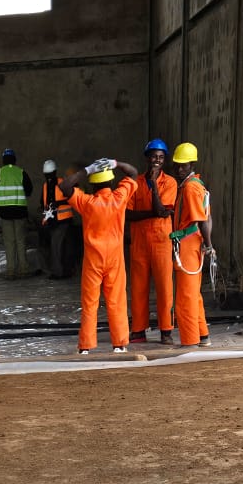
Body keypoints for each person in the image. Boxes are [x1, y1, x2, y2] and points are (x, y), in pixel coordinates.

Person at [62, 158, 139, 354]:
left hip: (93, 261)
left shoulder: (87, 203)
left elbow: (65, 186)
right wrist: (116, 163)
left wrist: (86, 170)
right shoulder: (119, 197)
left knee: (90, 303)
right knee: (116, 301)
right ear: (112, 182)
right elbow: (133, 173)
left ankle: (86, 346)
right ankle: (120, 344)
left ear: (93, 184)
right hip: (114, 258)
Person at [127, 139, 177, 344]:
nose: (157, 160)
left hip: (161, 242)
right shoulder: (135, 183)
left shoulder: (170, 183)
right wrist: (154, 214)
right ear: (147, 158)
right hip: (140, 243)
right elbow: (128, 214)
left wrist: (154, 185)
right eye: (154, 156)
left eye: (161, 157)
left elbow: (162, 210)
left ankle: (166, 330)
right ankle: (138, 330)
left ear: (164, 160)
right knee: (138, 287)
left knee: (165, 287)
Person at [169, 143, 215, 347]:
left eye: (184, 165)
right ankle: (203, 336)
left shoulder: (189, 188)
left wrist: (209, 245)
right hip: (192, 243)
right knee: (193, 295)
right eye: (178, 165)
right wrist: (207, 244)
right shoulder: (198, 185)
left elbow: (202, 220)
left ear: (192, 164)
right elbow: (207, 217)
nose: (180, 169)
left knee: (185, 299)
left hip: (188, 245)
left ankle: (190, 341)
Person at [0, 149, 33, 279]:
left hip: (5, 212)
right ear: (14, 160)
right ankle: (24, 270)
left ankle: (11, 271)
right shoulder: (21, 172)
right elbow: (29, 190)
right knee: (20, 240)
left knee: (9, 242)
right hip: (20, 211)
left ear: (3, 160)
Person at [39, 159, 78, 279]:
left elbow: (74, 198)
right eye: (47, 175)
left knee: (58, 247)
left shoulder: (63, 183)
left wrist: (58, 203)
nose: (48, 177)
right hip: (52, 221)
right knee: (58, 247)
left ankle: (59, 272)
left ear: (55, 173)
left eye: (50, 174)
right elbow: (43, 202)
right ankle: (64, 271)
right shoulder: (45, 186)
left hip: (64, 220)